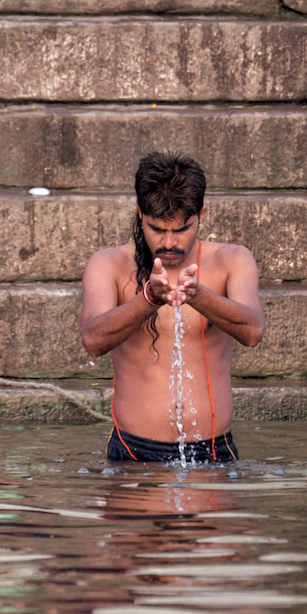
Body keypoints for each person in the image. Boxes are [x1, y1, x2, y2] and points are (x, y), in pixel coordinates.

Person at [81, 152, 264, 463]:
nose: (168, 242)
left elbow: (253, 331)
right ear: (140, 213)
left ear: (202, 214)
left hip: (213, 450)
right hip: (133, 450)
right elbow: (93, 340)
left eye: (181, 230)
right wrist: (148, 299)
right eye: (157, 229)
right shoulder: (108, 263)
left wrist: (200, 296)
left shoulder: (232, 260)